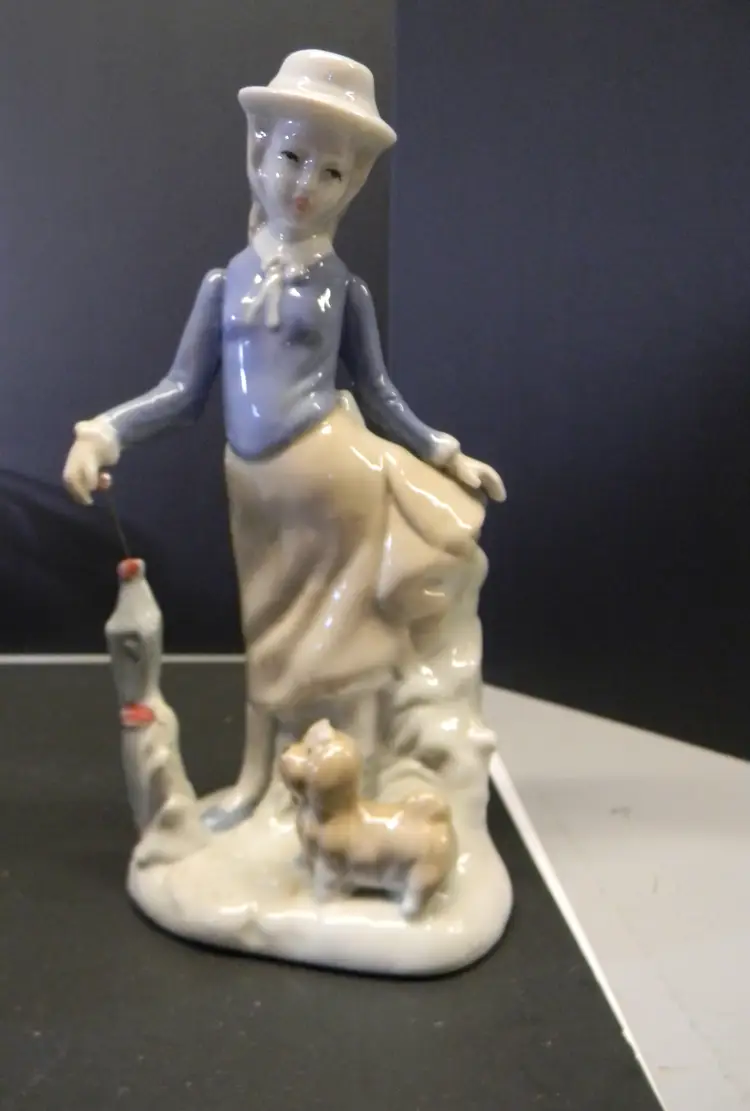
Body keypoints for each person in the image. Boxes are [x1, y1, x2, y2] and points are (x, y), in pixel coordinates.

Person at [62, 49, 506, 828]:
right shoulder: (224, 283)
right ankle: (255, 778)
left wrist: (444, 450)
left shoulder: (344, 290)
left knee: (350, 634)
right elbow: (180, 392)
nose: (305, 185)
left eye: (330, 172)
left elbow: (379, 392)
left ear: (351, 185)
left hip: (336, 476)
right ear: (260, 154)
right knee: (264, 633)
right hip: (254, 488)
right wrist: (105, 432)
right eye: (294, 158)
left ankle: (355, 777)